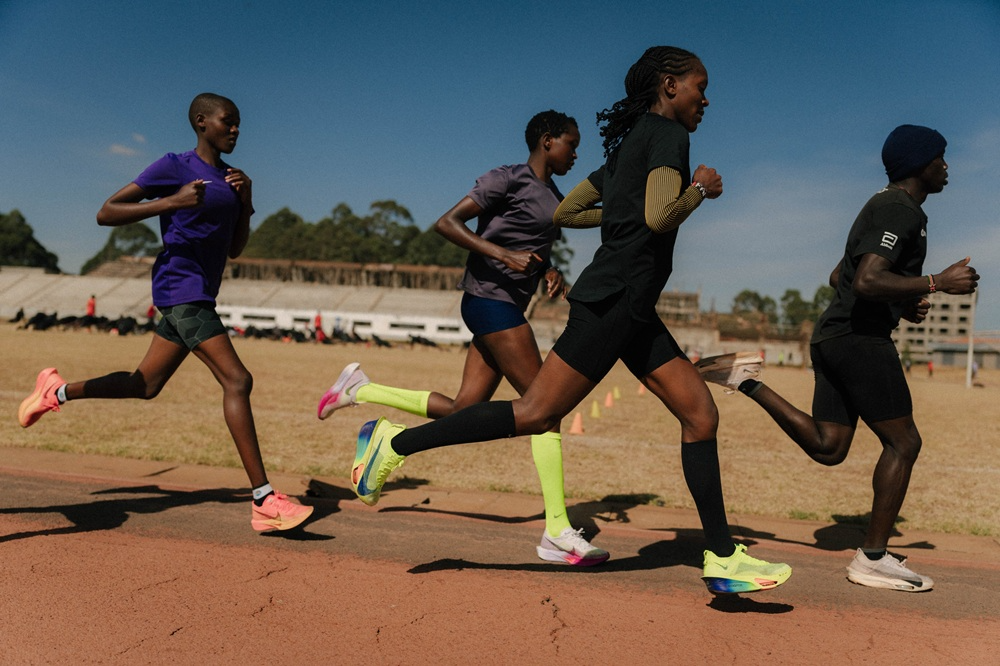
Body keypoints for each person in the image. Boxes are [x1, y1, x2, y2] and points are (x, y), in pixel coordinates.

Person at [346, 47, 792, 594]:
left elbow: (566, 213)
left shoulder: (630, 144)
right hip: (615, 300)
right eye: (701, 86)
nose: (706, 98)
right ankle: (392, 445)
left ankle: (722, 557)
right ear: (670, 86)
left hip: (631, 306)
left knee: (699, 414)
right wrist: (698, 190)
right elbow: (656, 217)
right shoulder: (670, 137)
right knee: (536, 413)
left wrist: (626, 205)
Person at [318, 111, 607, 566]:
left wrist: (549, 270)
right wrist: (503, 255)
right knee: (545, 409)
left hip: (505, 305)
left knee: (462, 410)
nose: (576, 153)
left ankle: (360, 390)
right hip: (488, 301)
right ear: (547, 141)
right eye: (571, 144)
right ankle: (556, 530)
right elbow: (447, 224)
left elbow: (531, 245)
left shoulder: (554, 196)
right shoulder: (507, 178)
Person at [699, 124, 979, 591]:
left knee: (830, 447)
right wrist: (935, 282)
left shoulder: (885, 205)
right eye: (941, 158)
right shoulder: (899, 210)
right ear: (919, 164)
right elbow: (867, 281)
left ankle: (747, 380)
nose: (947, 166)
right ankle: (872, 558)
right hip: (859, 340)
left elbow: (839, 277)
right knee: (904, 444)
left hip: (834, 335)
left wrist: (901, 303)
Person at [17, 92, 312, 533]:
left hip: (201, 292)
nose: (235, 129)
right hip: (180, 288)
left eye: (237, 124)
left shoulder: (233, 180)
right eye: (227, 121)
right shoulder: (174, 166)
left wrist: (246, 203)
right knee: (237, 379)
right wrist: (170, 202)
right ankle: (264, 500)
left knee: (145, 384)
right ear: (201, 122)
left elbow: (233, 250)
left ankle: (55, 391)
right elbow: (106, 212)